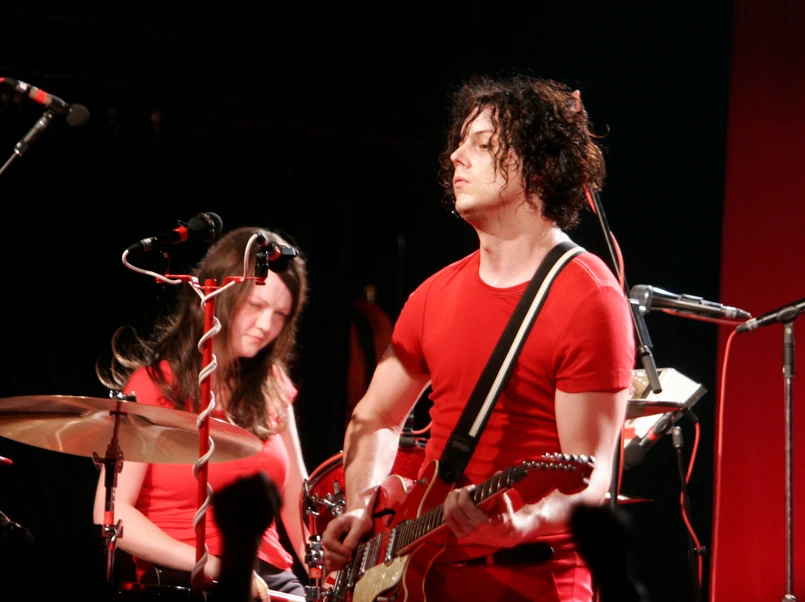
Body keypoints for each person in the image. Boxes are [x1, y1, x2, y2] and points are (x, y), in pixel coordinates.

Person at [320, 72, 636, 602]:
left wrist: (520, 523)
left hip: (531, 582)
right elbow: (374, 417)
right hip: (420, 575)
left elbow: (593, 476)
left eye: (483, 144)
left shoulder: (589, 297)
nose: (456, 157)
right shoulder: (433, 294)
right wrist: (360, 505)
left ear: (540, 167)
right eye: (460, 142)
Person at [93, 226, 310, 602]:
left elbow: (297, 505)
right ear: (217, 295)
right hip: (181, 572)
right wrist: (214, 566)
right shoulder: (153, 384)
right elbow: (111, 511)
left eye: (280, 314)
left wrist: (333, 576)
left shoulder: (274, 384)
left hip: (272, 576)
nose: (265, 326)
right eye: (255, 306)